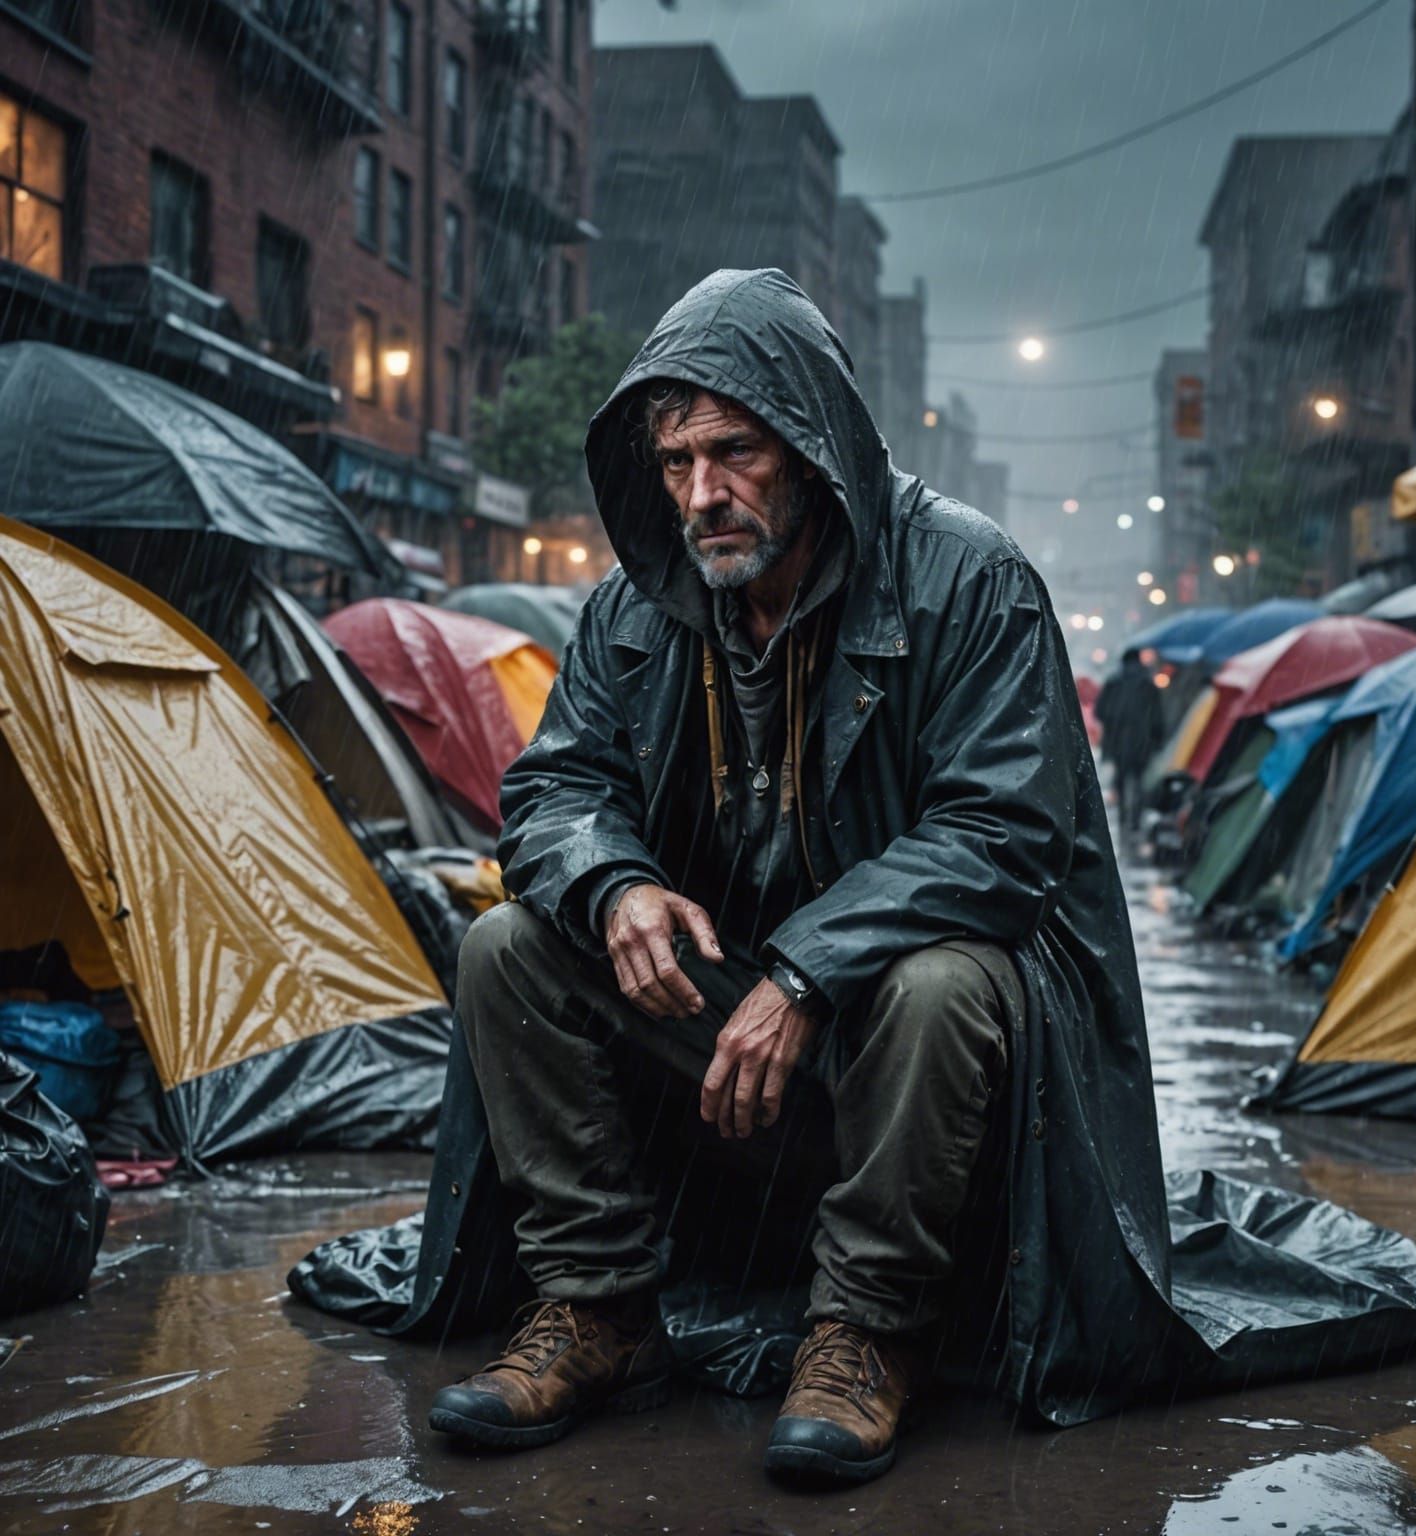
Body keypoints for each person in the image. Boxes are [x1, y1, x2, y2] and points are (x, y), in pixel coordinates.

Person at [428, 269, 1169, 1485]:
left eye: (735, 452)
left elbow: (1006, 835)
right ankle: (598, 1306)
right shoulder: (632, 611)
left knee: (943, 980)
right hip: (723, 1039)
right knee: (507, 945)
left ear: (812, 448)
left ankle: (866, 1332)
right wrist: (614, 885)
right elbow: (552, 795)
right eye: (674, 463)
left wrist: (811, 970)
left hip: (919, 1051)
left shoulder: (967, 582)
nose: (702, 495)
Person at [1094, 647, 1164, 837]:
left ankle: (1124, 817)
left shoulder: (1113, 682)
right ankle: (1135, 820)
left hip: (1116, 742)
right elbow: (1157, 717)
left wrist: (1114, 722)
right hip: (1142, 743)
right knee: (1138, 780)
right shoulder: (1148, 684)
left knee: (1121, 780)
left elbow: (1099, 711)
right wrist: (1157, 739)